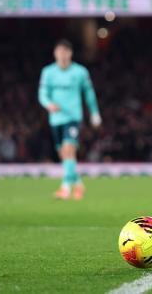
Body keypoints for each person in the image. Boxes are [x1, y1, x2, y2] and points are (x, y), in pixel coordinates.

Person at [38, 39, 102, 200]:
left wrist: (94, 113)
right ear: (55, 54)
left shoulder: (80, 72)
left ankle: (65, 188)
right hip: (55, 119)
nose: (62, 55)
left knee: (69, 149)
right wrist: (48, 104)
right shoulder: (48, 72)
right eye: (59, 52)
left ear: (70, 53)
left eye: (65, 52)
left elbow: (89, 93)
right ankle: (78, 184)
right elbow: (42, 93)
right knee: (64, 155)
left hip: (73, 117)